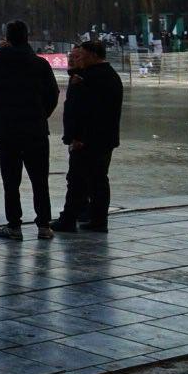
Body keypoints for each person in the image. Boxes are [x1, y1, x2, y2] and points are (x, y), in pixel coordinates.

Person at [0, 20, 61, 240]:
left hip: (8, 129)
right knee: (40, 180)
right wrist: (42, 115)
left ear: (8, 38)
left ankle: (14, 225)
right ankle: (44, 225)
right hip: (36, 129)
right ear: (27, 37)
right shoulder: (40, 63)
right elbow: (53, 93)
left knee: (11, 181)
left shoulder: (2, 59)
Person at [51, 39, 123, 233]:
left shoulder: (92, 78)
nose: (78, 59)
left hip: (88, 140)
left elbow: (87, 111)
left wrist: (78, 137)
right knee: (96, 180)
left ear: (93, 55)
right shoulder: (107, 75)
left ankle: (70, 219)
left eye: (81, 56)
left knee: (79, 180)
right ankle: (97, 219)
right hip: (103, 139)